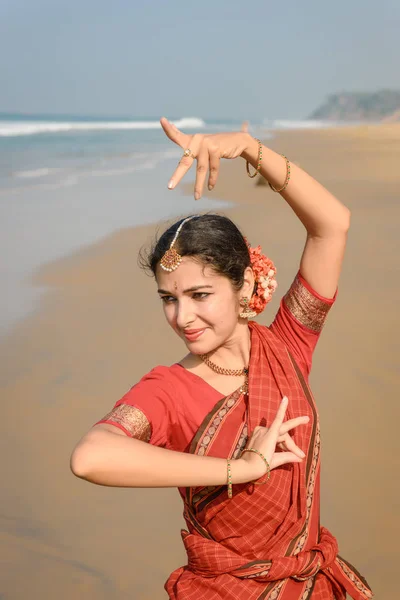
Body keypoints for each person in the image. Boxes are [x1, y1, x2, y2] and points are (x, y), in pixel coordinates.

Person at [70, 119, 373, 599]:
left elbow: (332, 225)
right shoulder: (169, 388)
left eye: (199, 294)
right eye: (168, 298)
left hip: (312, 582)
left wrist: (252, 149)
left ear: (246, 288)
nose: (182, 316)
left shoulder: (287, 346)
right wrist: (242, 468)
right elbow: (91, 457)